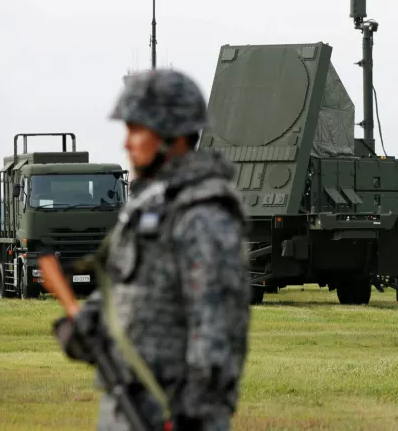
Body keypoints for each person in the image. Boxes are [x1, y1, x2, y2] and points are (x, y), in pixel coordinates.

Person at [52, 68, 251, 431]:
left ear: (170, 136)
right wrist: (88, 324)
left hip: (174, 415)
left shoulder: (202, 215)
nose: (126, 143)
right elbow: (125, 289)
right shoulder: (147, 207)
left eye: (136, 130)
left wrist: (193, 416)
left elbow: (218, 331)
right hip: (126, 407)